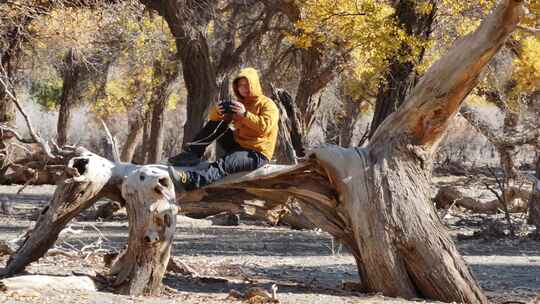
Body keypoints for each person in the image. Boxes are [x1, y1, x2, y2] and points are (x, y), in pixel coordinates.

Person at [168, 67, 279, 192]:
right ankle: (192, 154)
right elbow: (214, 121)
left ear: (254, 85)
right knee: (217, 124)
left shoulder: (268, 104)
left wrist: (245, 114)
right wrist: (218, 111)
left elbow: (264, 127)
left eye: (247, 84)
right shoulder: (239, 103)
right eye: (240, 85)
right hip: (238, 145)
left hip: (257, 153)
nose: (244, 88)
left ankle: (190, 181)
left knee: (224, 164)